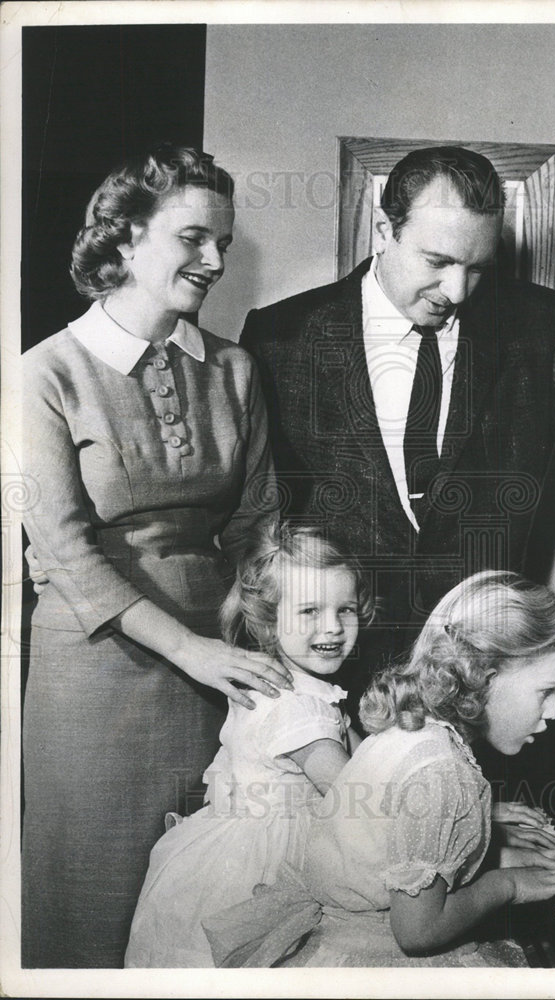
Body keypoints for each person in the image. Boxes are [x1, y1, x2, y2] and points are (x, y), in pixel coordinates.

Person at [239, 145, 555, 704]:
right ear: (385, 231)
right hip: (327, 674)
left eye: (477, 267)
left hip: (478, 675)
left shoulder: (540, 327)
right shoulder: (280, 337)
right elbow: (252, 516)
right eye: (437, 261)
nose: (457, 293)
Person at [21, 144, 290, 968]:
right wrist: (189, 650)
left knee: (203, 903)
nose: (213, 262)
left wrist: (269, 644)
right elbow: (63, 547)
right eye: (194, 239)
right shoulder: (44, 373)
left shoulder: (235, 371)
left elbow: (259, 527)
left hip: (219, 665)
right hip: (95, 677)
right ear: (127, 237)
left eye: (224, 246)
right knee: (88, 904)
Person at [201, 570, 555, 967]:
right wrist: (506, 884)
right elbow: (418, 932)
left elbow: (391, 842)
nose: (554, 712)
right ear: (486, 678)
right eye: (547, 692)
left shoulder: (411, 727)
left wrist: (492, 852)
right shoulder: (443, 773)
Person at [124, 523, 373, 967]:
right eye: (310, 611)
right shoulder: (301, 710)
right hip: (272, 867)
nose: (333, 627)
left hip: (229, 849)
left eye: (346, 609)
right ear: (267, 620)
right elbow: (359, 797)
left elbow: (369, 766)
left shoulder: (283, 683)